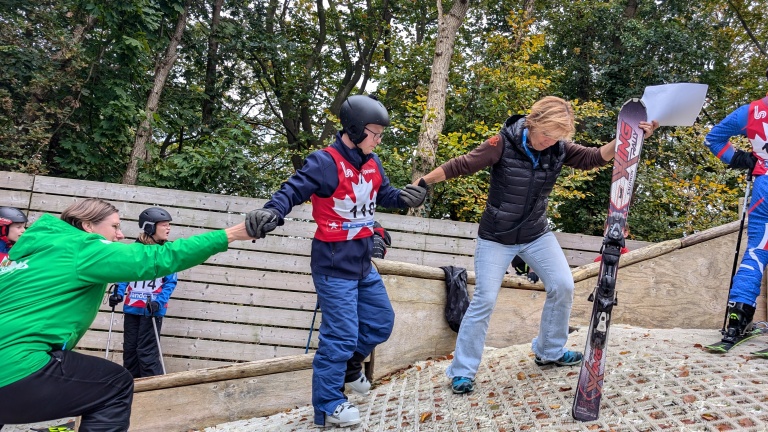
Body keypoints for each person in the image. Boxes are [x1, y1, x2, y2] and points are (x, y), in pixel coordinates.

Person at [415, 96, 658, 394]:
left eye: (556, 137)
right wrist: (422, 184)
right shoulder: (501, 143)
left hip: (535, 234)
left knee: (563, 285)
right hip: (496, 238)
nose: (549, 141)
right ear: (532, 123)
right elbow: (461, 164)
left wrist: (629, 138)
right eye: (546, 134)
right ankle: (462, 371)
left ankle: (550, 351)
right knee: (485, 300)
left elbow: (594, 157)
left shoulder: (557, 148)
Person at [245, 94, 428, 428]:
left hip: (362, 263)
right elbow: (292, 190)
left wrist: (403, 197)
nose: (378, 139)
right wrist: (271, 211)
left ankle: (349, 367)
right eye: (375, 133)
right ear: (355, 130)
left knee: (380, 323)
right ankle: (329, 403)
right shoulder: (324, 162)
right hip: (333, 267)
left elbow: (382, 193)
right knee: (340, 337)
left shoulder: (372, 162)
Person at [0, 198, 254, 431]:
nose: (120, 235)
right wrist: (231, 234)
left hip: (9, 361)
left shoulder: (22, 255)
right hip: (16, 365)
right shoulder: (83, 248)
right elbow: (159, 258)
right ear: (88, 226)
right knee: (115, 385)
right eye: (115, 227)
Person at [703, 67, 768, 352]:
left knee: (756, 251)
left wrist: (744, 159)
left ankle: (735, 325)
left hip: (764, 188)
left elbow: (713, 139)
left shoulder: (752, 112)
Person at [110, 207, 177, 378]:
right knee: (130, 351)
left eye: (169, 225)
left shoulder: (167, 252)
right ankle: (132, 387)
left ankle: (156, 390)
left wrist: (159, 302)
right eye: (164, 225)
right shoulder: (135, 250)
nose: (168, 228)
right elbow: (125, 274)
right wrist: (118, 292)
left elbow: (170, 282)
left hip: (152, 309)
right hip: (132, 307)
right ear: (150, 227)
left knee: (147, 353)